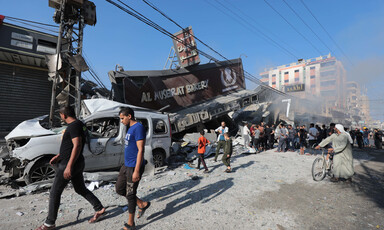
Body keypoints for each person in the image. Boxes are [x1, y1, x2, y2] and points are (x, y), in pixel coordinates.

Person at [35, 106, 105, 230]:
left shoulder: (73, 126)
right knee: (80, 189)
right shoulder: (79, 124)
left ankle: (49, 223)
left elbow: (77, 145)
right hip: (76, 162)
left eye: (60, 115)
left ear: (64, 115)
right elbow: (70, 146)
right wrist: (59, 156)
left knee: (55, 193)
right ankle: (99, 208)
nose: (61, 117)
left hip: (70, 164)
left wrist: (69, 166)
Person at [116, 107, 150, 230]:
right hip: (126, 165)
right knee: (119, 189)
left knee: (130, 194)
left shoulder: (138, 128)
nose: (121, 121)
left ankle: (131, 224)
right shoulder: (130, 128)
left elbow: (141, 149)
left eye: (122, 118)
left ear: (129, 116)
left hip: (134, 166)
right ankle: (141, 203)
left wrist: (136, 170)